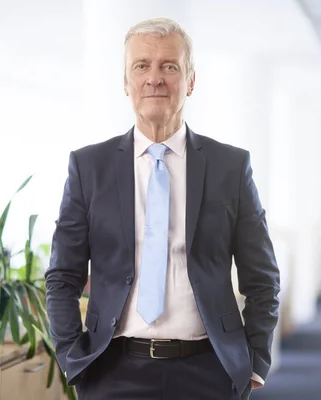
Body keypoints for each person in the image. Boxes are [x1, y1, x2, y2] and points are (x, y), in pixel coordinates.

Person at [45, 17, 281, 400]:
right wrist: (73, 357)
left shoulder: (229, 167)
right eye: (142, 66)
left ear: (190, 81)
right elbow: (62, 277)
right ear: (126, 83)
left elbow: (262, 277)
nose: (155, 78)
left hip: (209, 370)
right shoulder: (89, 168)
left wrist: (254, 363)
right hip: (112, 371)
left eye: (169, 66)